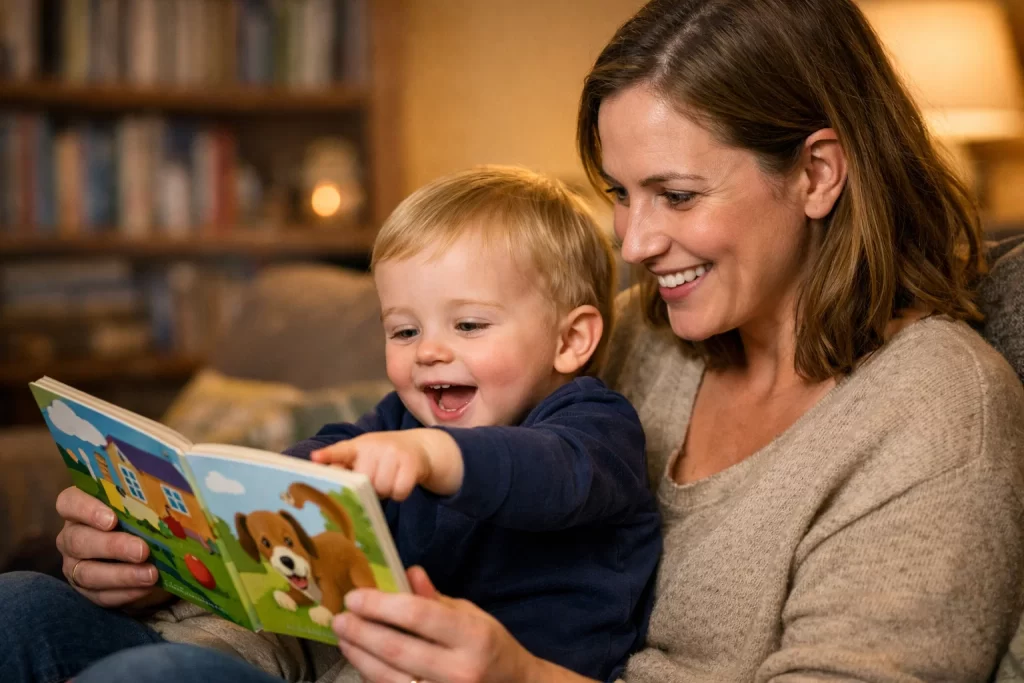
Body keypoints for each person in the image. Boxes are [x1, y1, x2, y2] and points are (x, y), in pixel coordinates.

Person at [316, 0, 1024, 681]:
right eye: (620, 194)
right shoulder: (635, 334)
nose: (635, 241)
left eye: (677, 195)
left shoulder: (939, 409)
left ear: (817, 173)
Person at [0, 167, 661, 683]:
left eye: (468, 324)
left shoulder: (595, 427)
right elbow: (320, 460)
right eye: (404, 328)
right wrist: (221, 501)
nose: (428, 350)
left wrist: (433, 454)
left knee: (160, 674)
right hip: (327, 658)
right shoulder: (401, 418)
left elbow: (553, 474)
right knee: (21, 602)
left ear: (571, 340)